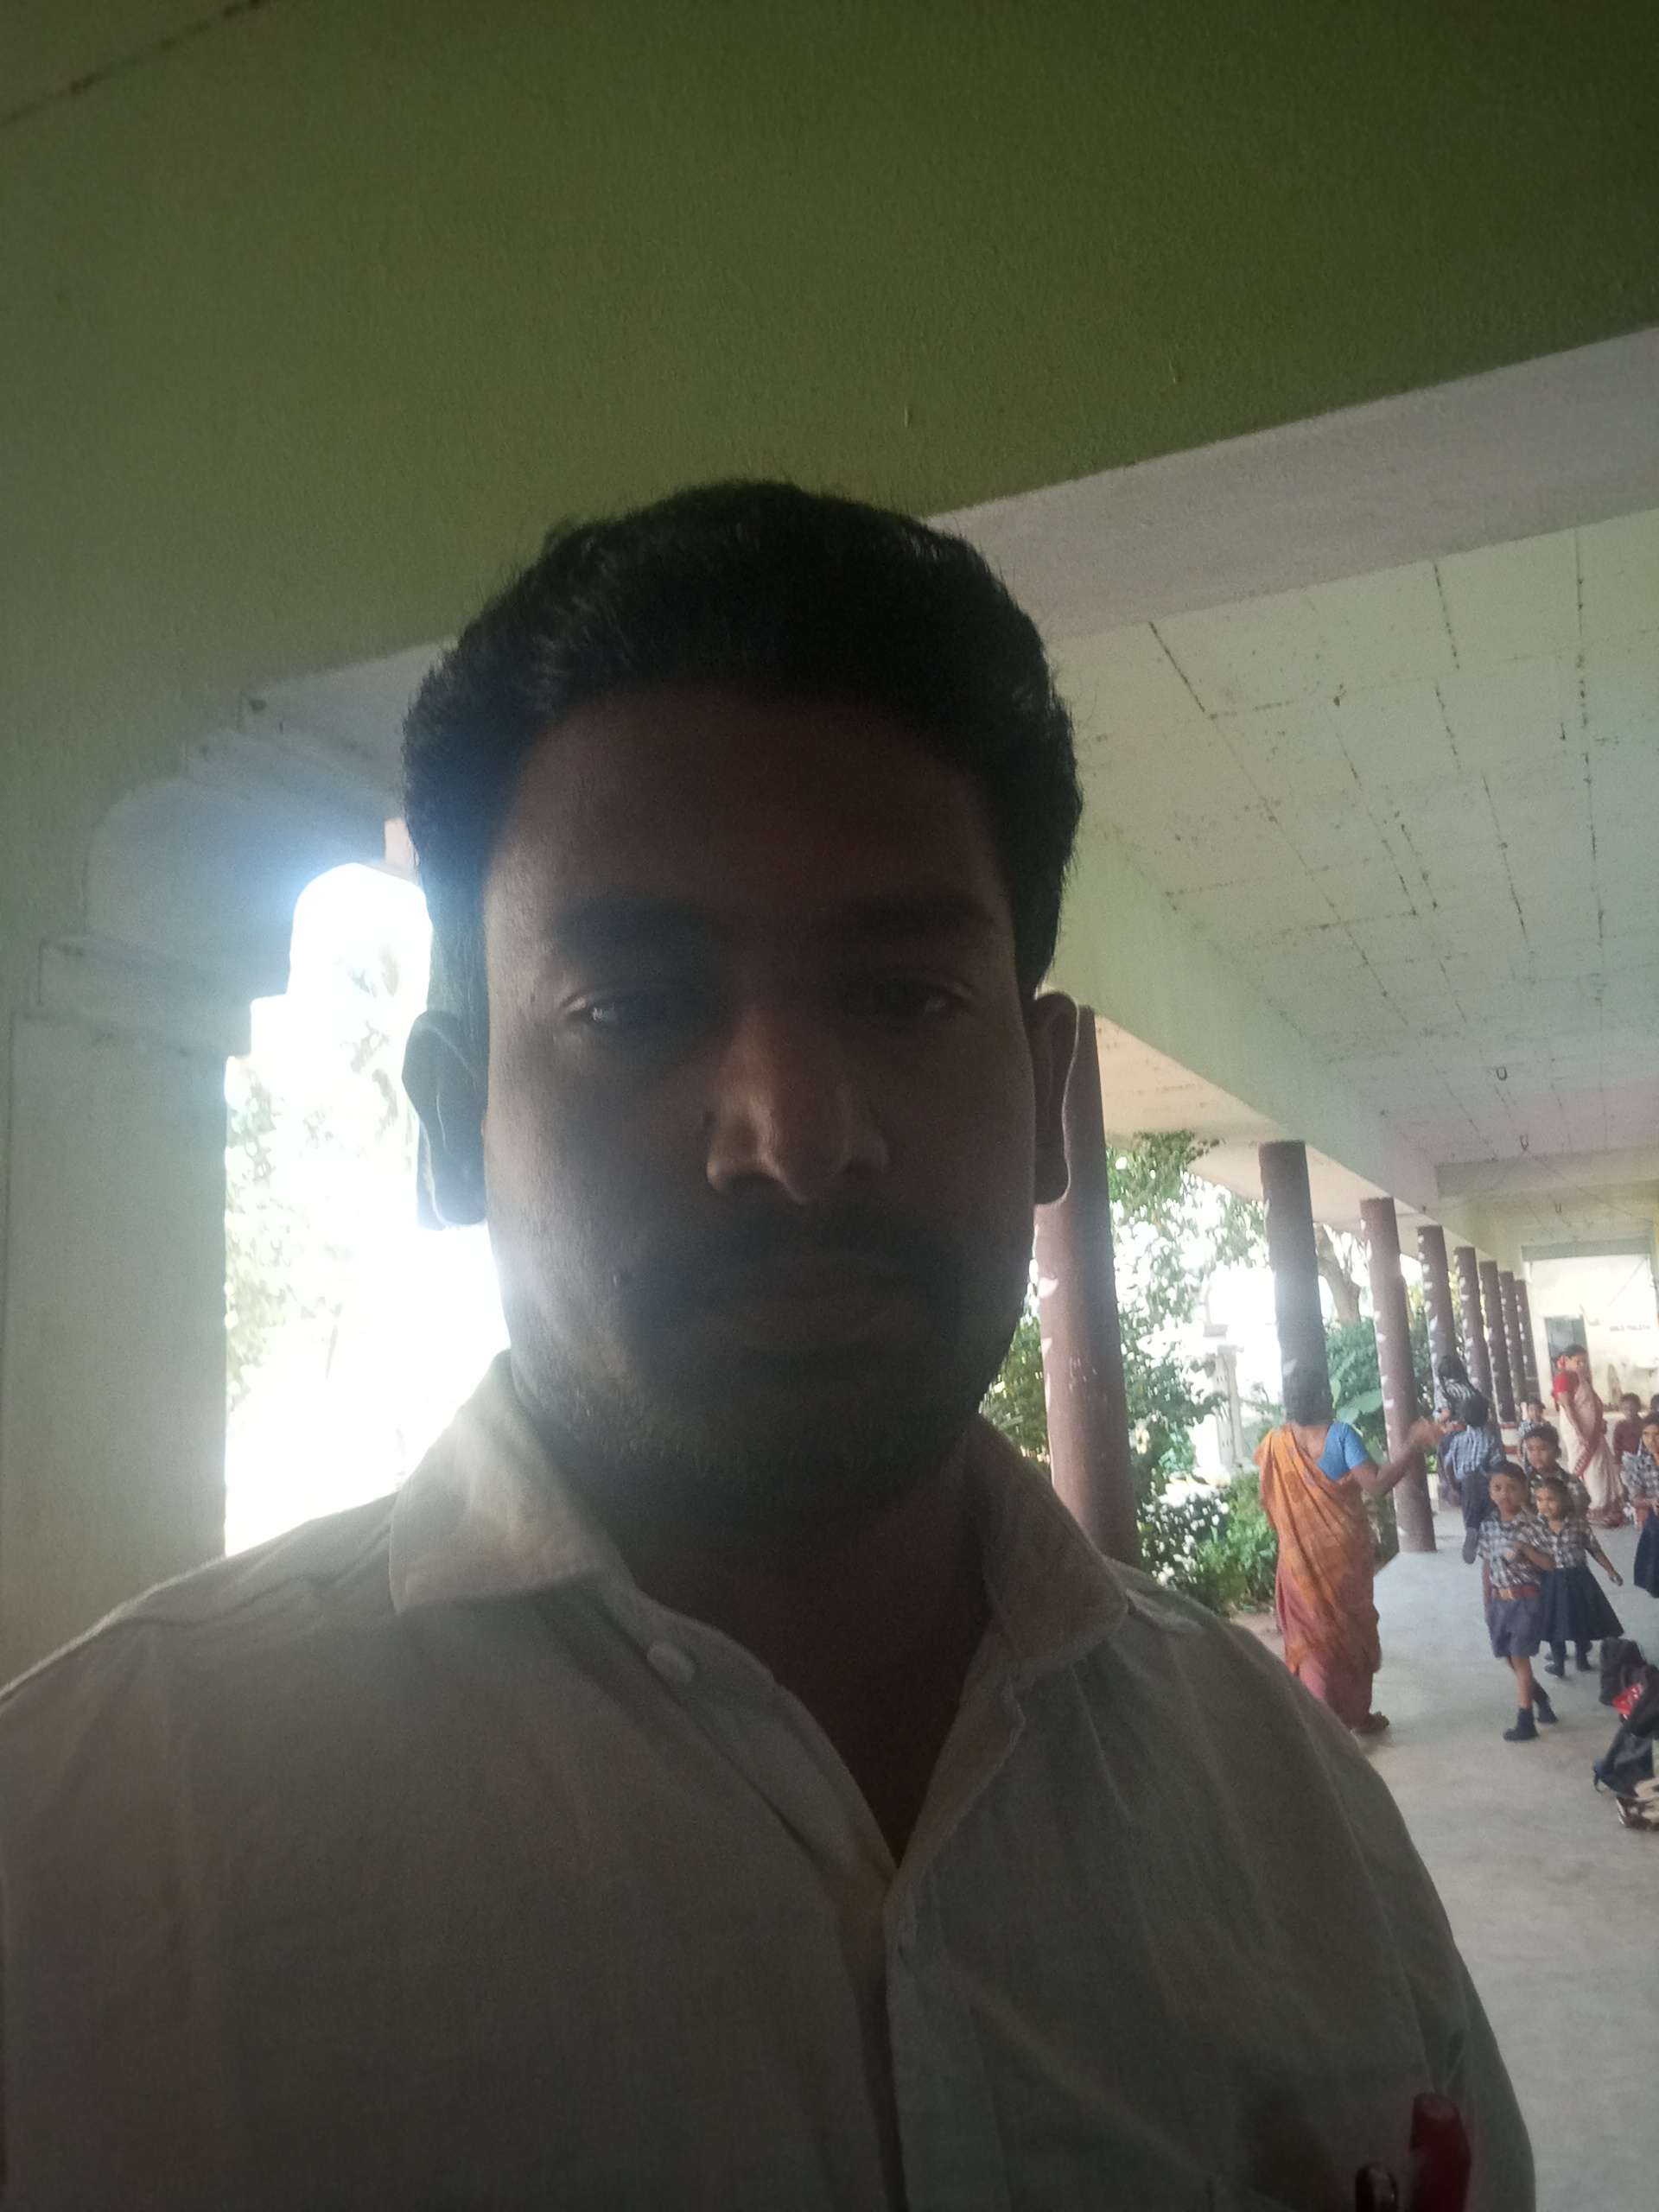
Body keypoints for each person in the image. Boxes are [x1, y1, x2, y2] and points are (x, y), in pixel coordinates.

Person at [0, 484, 1533, 2209]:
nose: (795, 1137)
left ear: (1044, 1099)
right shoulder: (85, 1867)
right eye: (634, 1006)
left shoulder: (1292, 1808)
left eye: (903, 996)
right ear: (448, 1125)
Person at [1255, 1374, 1439, 1736]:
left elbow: (1269, 1497)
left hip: (1298, 1563)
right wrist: (1413, 1444)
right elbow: (1377, 1485)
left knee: (1313, 1644)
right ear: (1325, 1396)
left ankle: (1327, 1726)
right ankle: (1338, 1725)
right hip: (1343, 1560)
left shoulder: (1275, 1442)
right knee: (1350, 1634)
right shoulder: (1340, 1436)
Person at [1476, 1466, 1557, 1743]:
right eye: (1497, 1488)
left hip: (1526, 1600)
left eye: (1512, 1487)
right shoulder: (1488, 1525)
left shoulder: (1533, 1525)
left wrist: (1526, 1550)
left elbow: (1549, 1563)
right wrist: (1487, 1602)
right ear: (1490, 1492)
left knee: (1520, 1657)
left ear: (1525, 1492)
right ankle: (1540, 1697)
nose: (1504, 1494)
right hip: (1500, 1601)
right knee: (1510, 1657)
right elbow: (1487, 1565)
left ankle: (1526, 1721)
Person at [1531, 1473, 1624, 1679]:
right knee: (1554, 1623)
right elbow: (1531, 1554)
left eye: (1551, 1499)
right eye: (1539, 1499)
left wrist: (1610, 1570)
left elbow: (1594, 1549)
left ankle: (1582, 1658)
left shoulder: (1578, 1523)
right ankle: (1558, 1663)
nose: (1545, 1505)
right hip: (1550, 1581)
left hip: (1578, 1579)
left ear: (1565, 1500)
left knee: (1581, 1619)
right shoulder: (1535, 1526)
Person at [1551, 1344, 1625, 1527]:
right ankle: (1592, 1510)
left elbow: (1592, 1403)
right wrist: (1580, 1432)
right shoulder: (1564, 1378)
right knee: (1591, 1470)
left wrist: (1600, 1421)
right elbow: (1568, 1406)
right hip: (1579, 1432)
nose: (1582, 1365)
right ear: (1566, 1360)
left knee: (1601, 1466)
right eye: (1578, 1362)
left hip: (1593, 1432)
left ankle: (1607, 1506)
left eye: (1584, 1362)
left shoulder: (1581, 1378)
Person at [1439, 1380, 1509, 1563]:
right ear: (1486, 1416)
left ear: (1463, 1418)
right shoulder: (1491, 1439)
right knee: (1489, 1515)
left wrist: (1453, 1486)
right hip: (1486, 1483)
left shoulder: (1457, 1440)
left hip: (1464, 1486)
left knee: (1471, 1511)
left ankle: (1472, 1529)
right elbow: (1498, 1464)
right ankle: (1487, 1542)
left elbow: (1447, 1465)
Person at [1622, 1411, 1659, 1532]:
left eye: (1657, 1435)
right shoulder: (1640, 1464)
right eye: (1646, 1434)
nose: (1651, 1440)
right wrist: (1652, 1501)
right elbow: (1635, 1499)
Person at [1610, 1389, 1645, 1463]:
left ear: (1639, 1408)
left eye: (1632, 1408)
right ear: (1621, 1410)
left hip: (1644, 1458)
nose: (1629, 1412)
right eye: (1625, 1409)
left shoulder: (1645, 1424)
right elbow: (1617, 1445)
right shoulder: (1620, 1426)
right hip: (1627, 1459)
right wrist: (1617, 1460)